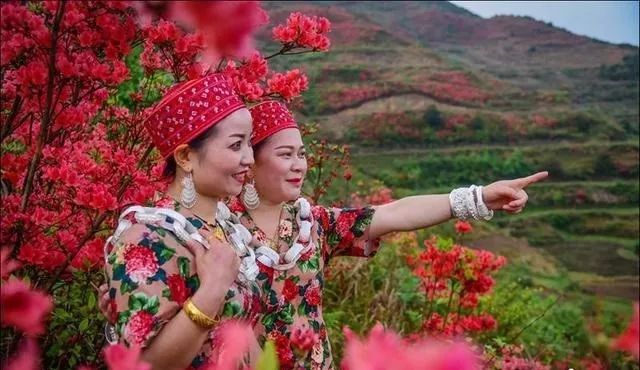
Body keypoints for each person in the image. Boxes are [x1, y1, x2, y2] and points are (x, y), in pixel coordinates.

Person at [226, 100, 548, 369]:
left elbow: (394, 213)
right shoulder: (220, 229)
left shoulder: (313, 223)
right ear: (251, 162)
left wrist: (478, 198)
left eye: (302, 154)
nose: (300, 165)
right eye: (286, 155)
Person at [103, 73, 262, 370]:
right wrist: (213, 289)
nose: (249, 158)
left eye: (249, 144)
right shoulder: (145, 238)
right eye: (235, 145)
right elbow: (145, 364)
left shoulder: (224, 230)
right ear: (186, 157)